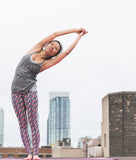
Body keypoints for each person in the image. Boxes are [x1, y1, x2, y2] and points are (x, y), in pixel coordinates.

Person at [11, 28, 88, 160]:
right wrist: (75, 30)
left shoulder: (46, 63)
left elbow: (67, 53)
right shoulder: (36, 48)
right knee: (22, 123)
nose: (52, 47)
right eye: (52, 44)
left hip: (30, 91)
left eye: (56, 48)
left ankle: (35, 154)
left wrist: (79, 37)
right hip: (15, 91)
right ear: (47, 44)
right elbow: (55, 34)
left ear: (54, 54)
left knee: (33, 122)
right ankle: (28, 154)